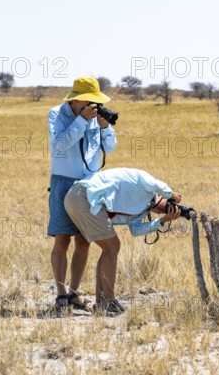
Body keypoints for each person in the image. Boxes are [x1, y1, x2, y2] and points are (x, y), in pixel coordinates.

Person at [63, 168, 183, 316]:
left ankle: (102, 303)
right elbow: (155, 184)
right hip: (84, 196)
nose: (161, 209)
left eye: (162, 211)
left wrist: (163, 220)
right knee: (112, 246)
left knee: (109, 248)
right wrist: (172, 194)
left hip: (77, 198)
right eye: (165, 204)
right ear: (160, 195)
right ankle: (108, 301)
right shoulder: (145, 182)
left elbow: (136, 230)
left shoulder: (142, 209)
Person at [48, 76, 117, 311]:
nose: (94, 106)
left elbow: (110, 148)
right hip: (63, 183)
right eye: (90, 102)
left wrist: (105, 127)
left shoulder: (97, 118)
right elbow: (59, 145)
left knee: (84, 241)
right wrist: (80, 122)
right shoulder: (57, 114)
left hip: (90, 185)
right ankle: (60, 295)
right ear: (77, 100)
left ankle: (74, 294)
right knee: (61, 239)